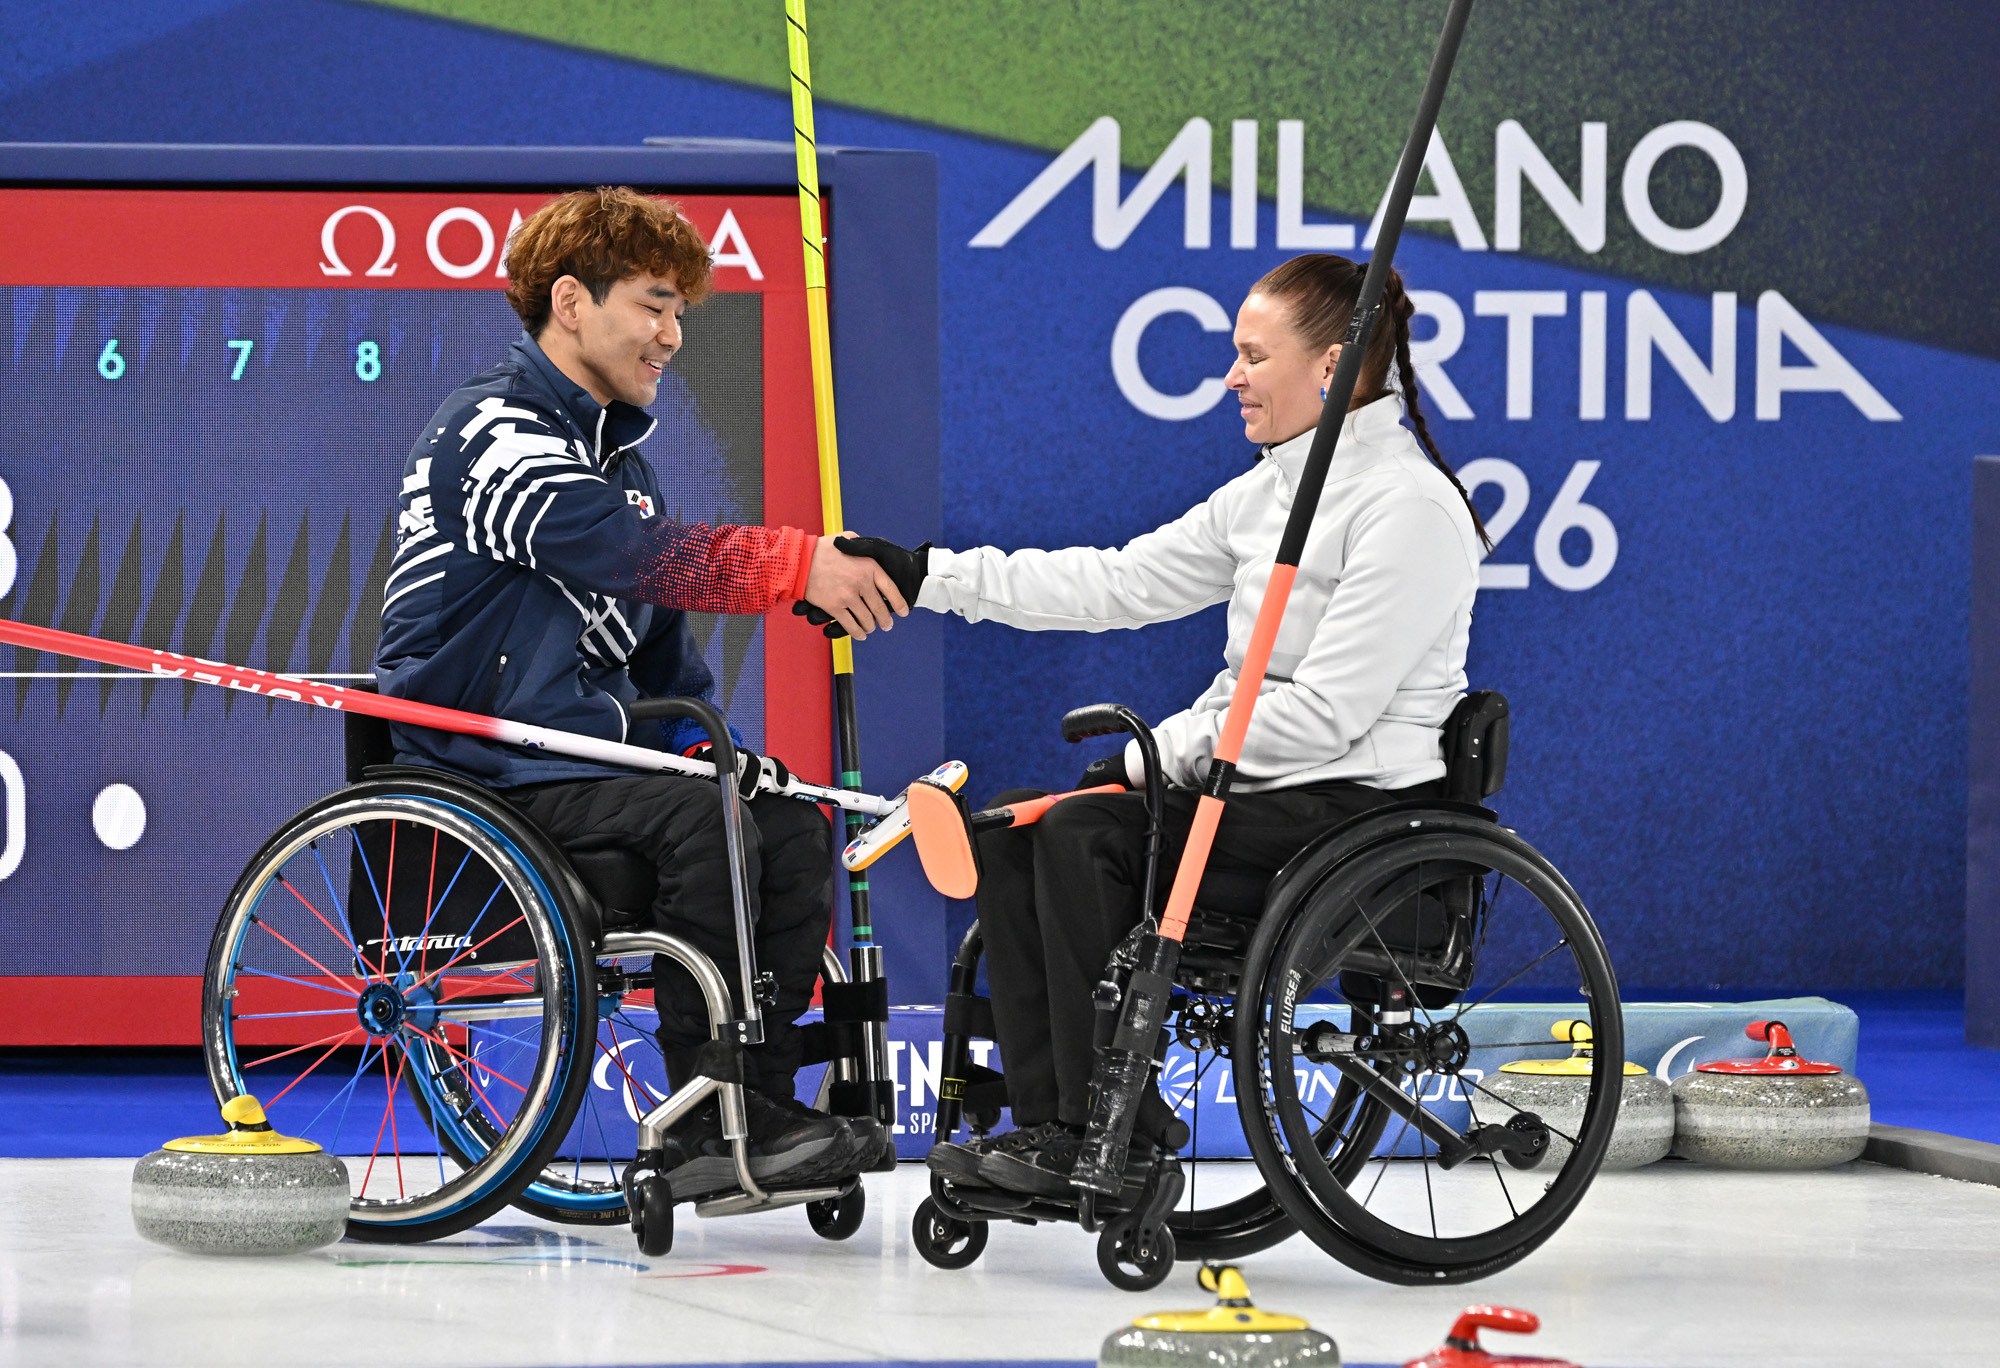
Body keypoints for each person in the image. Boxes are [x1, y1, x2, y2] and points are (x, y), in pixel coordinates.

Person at [877, 254, 1489, 1198]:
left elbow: (1329, 714)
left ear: (1330, 367)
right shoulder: (1270, 492)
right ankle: (1050, 1123)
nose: (1232, 377)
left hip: (1352, 810)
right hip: (1258, 785)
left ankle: (1112, 1132)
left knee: (1083, 833)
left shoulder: (1409, 508)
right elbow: (1112, 582)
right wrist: (928, 576)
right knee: (1012, 824)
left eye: (1252, 355)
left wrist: (1154, 759)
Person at [373, 186, 908, 1197]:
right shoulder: (493, 428)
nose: (670, 335)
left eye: (680, 315)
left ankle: (753, 1099)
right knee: (701, 824)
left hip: (577, 758)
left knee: (783, 815)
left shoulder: (624, 466)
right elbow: (615, 549)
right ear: (570, 302)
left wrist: (717, 752)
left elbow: (663, 665)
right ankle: (710, 1119)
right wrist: (793, 567)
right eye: (653, 306)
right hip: (481, 761)